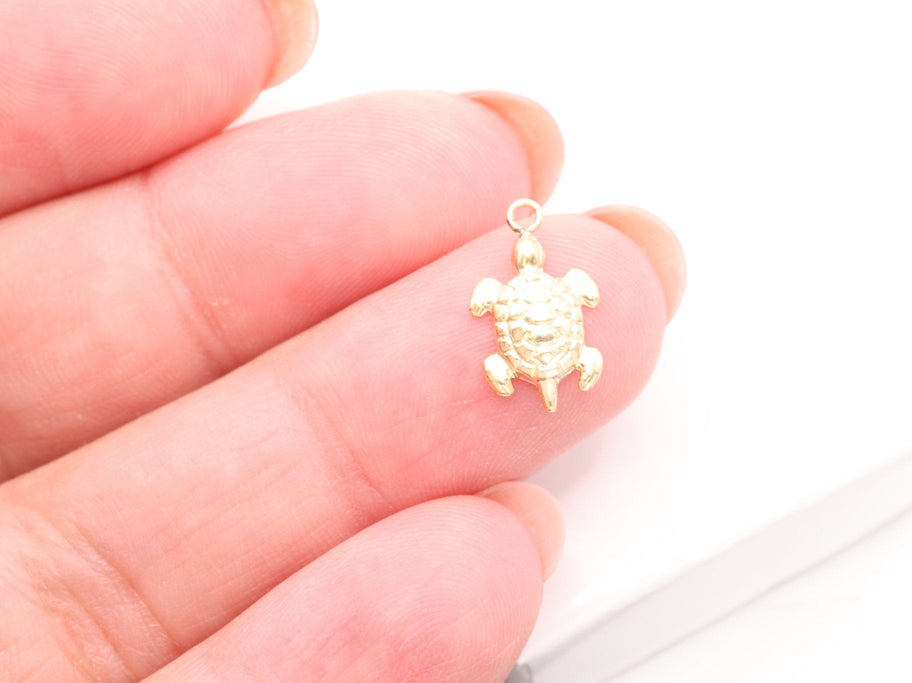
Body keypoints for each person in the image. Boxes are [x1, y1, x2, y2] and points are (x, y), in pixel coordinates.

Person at [0, 1, 684, 680]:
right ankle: (567, 368)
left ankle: (545, 371)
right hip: (555, 350)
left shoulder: (504, 290)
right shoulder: (553, 285)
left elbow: (507, 300)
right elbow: (577, 294)